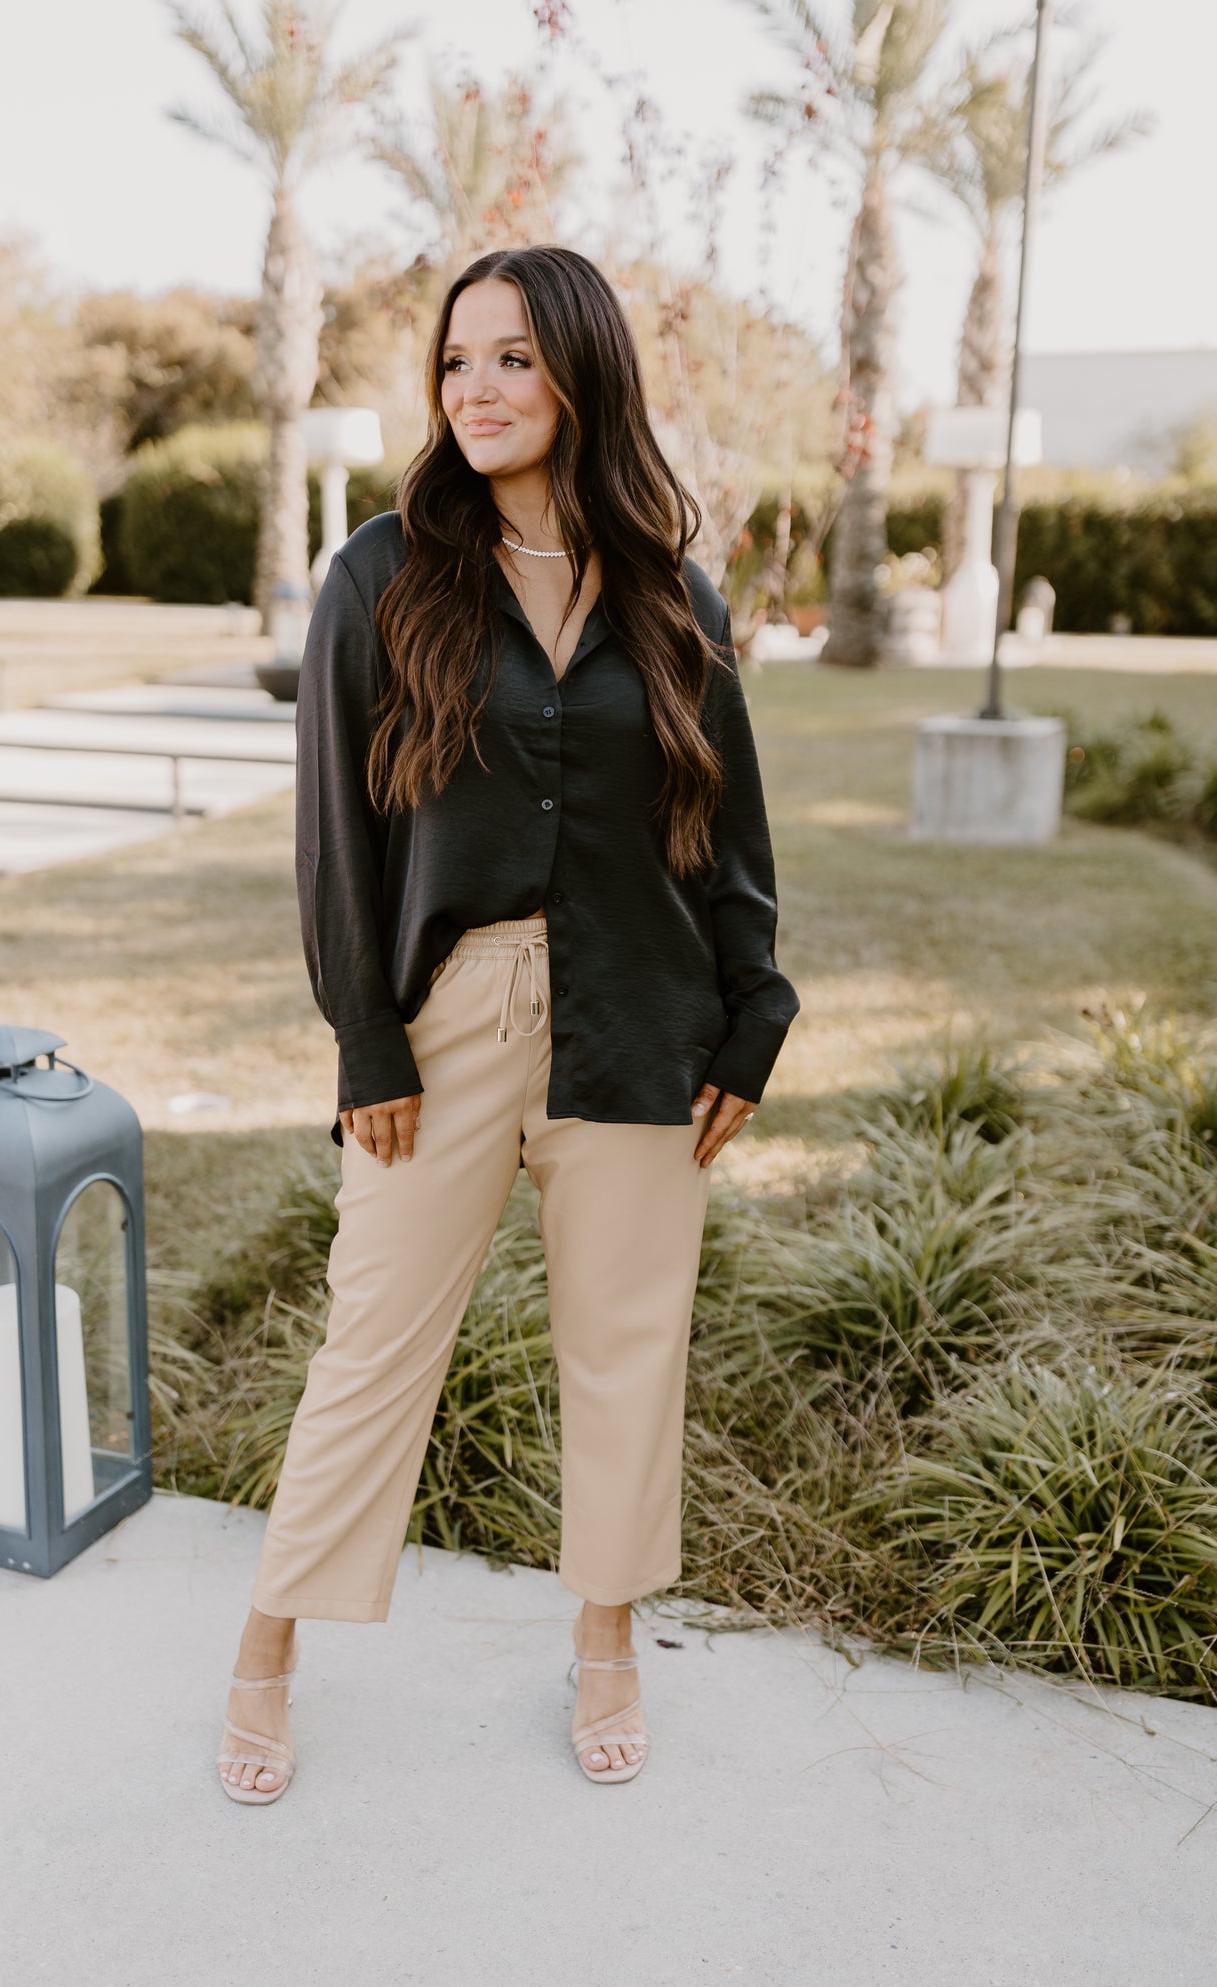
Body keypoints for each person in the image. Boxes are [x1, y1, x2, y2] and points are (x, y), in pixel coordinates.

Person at [216, 245, 799, 1803]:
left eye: (514, 360)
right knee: (369, 1344)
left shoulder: (677, 594)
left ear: (582, 376)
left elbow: (723, 831)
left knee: (626, 1350)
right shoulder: (380, 574)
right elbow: (337, 836)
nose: (476, 388)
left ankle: (603, 1640)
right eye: (458, 360)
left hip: (645, 1024)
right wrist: (365, 1042)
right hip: (447, 1022)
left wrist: (755, 1018)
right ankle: (267, 1644)